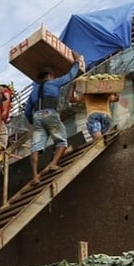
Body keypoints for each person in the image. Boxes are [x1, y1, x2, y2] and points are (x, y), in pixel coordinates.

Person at [25, 53, 85, 181]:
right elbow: (70, 75)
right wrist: (76, 62)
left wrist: (34, 121)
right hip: (50, 113)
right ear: (51, 76)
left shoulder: (33, 92)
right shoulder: (53, 83)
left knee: (35, 147)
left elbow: (27, 111)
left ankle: (35, 176)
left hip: (37, 116)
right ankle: (53, 164)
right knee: (61, 141)